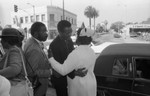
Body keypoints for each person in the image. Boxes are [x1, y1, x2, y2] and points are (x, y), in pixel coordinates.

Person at [48, 27, 97, 96]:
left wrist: (51, 59)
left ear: (78, 39)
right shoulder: (91, 51)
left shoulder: (75, 54)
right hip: (90, 84)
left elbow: (63, 70)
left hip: (80, 87)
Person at [24, 22, 52, 96]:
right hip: (38, 88)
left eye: (46, 31)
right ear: (36, 34)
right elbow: (31, 72)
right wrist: (50, 72)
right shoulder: (34, 48)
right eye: (43, 31)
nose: (46, 34)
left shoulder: (33, 41)